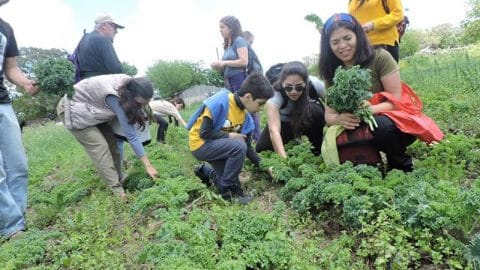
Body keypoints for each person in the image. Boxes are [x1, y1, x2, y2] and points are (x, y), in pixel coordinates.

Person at [319, 13, 416, 172]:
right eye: (335, 42)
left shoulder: (380, 57)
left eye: (347, 38)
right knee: (335, 139)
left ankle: (401, 165)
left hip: (389, 122)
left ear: (357, 35)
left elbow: (396, 102)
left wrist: (369, 109)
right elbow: (328, 116)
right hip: (356, 125)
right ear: (328, 46)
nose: (342, 46)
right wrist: (340, 118)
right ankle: (368, 162)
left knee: (381, 127)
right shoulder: (331, 71)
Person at [56, 74, 158, 198]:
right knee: (101, 147)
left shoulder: (131, 84)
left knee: (112, 144)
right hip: (73, 109)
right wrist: (148, 165)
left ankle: (120, 178)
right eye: (140, 103)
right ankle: (117, 192)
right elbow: (132, 136)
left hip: (92, 109)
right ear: (132, 96)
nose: (141, 107)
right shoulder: (117, 98)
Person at [187, 72, 273, 204]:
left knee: (234, 185)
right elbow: (204, 133)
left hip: (218, 146)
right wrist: (230, 135)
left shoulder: (246, 119)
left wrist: (266, 166)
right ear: (248, 97)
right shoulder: (221, 101)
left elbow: (248, 149)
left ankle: (203, 171)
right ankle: (225, 190)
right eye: (260, 104)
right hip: (201, 145)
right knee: (238, 146)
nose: (260, 109)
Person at [0, 0, 40, 239]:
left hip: (3, 103)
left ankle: (18, 221)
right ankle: (11, 227)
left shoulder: (5, 28)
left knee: (18, 167)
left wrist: (24, 81)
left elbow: (10, 67)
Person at [255, 61, 326, 158]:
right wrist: (284, 159)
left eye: (299, 87)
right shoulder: (276, 95)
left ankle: (318, 148)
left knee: (314, 110)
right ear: (282, 83)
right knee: (261, 148)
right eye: (288, 88)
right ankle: (292, 142)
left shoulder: (315, 85)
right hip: (285, 124)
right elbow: (274, 130)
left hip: (307, 119)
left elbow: (332, 104)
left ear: (305, 83)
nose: (293, 92)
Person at [76, 14, 124, 80]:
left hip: (82, 85)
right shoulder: (104, 40)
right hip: (100, 86)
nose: (116, 31)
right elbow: (116, 69)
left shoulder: (83, 40)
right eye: (115, 27)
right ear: (104, 25)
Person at [211, 15, 248, 92]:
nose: (220, 30)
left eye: (222, 27)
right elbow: (227, 65)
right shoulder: (227, 45)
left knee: (238, 103)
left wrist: (224, 62)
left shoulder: (239, 40)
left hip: (239, 79)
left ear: (231, 28)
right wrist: (218, 66)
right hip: (228, 81)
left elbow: (244, 62)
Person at [242, 30, 263, 141]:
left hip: (251, 85)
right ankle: (255, 137)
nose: (251, 43)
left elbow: (255, 69)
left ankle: (255, 138)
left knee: (252, 112)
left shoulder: (247, 50)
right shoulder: (247, 49)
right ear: (248, 38)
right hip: (253, 84)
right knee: (252, 112)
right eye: (251, 41)